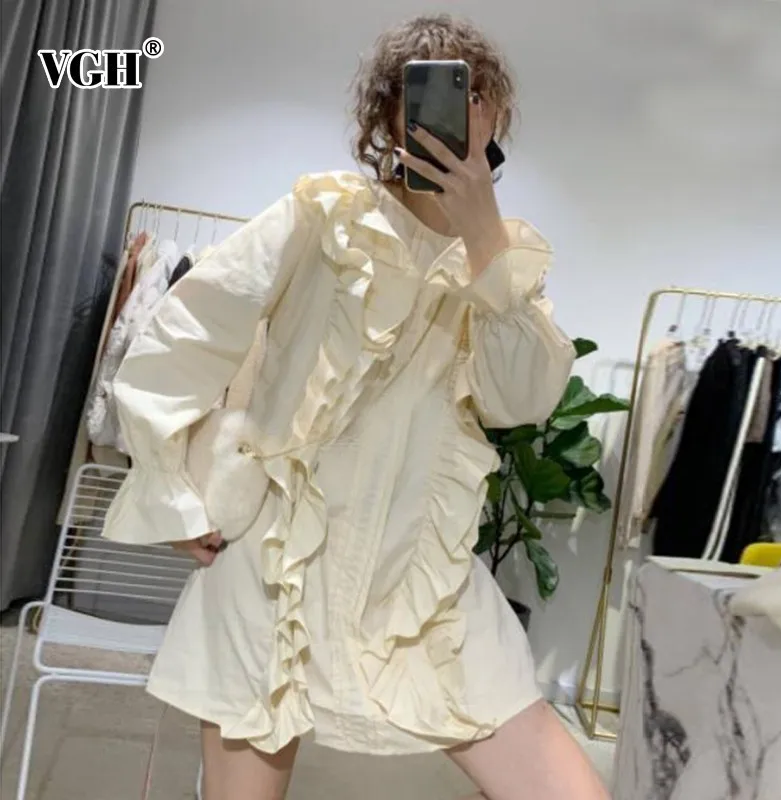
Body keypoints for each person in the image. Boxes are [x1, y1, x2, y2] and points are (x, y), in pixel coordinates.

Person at [103, 13, 610, 800]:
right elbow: (185, 336)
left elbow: (522, 398)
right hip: (278, 566)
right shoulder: (322, 218)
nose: (451, 114)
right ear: (387, 116)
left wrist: (483, 236)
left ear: (495, 116)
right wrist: (173, 489)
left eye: (470, 96)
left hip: (425, 582)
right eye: (427, 94)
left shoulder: (505, 264)